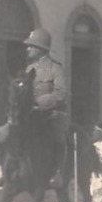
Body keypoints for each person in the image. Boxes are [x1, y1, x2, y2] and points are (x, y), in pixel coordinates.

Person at [20, 28, 69, 171]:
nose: (28, 49)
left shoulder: (55, 68)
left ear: (40, 49)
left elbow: (61, 93)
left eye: (31, 46)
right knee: (11, 131)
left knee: (57, 139)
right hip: (31, 114)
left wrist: (39, 103)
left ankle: (58, 173)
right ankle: (10, 170)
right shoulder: (29, 69)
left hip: (51, 115)